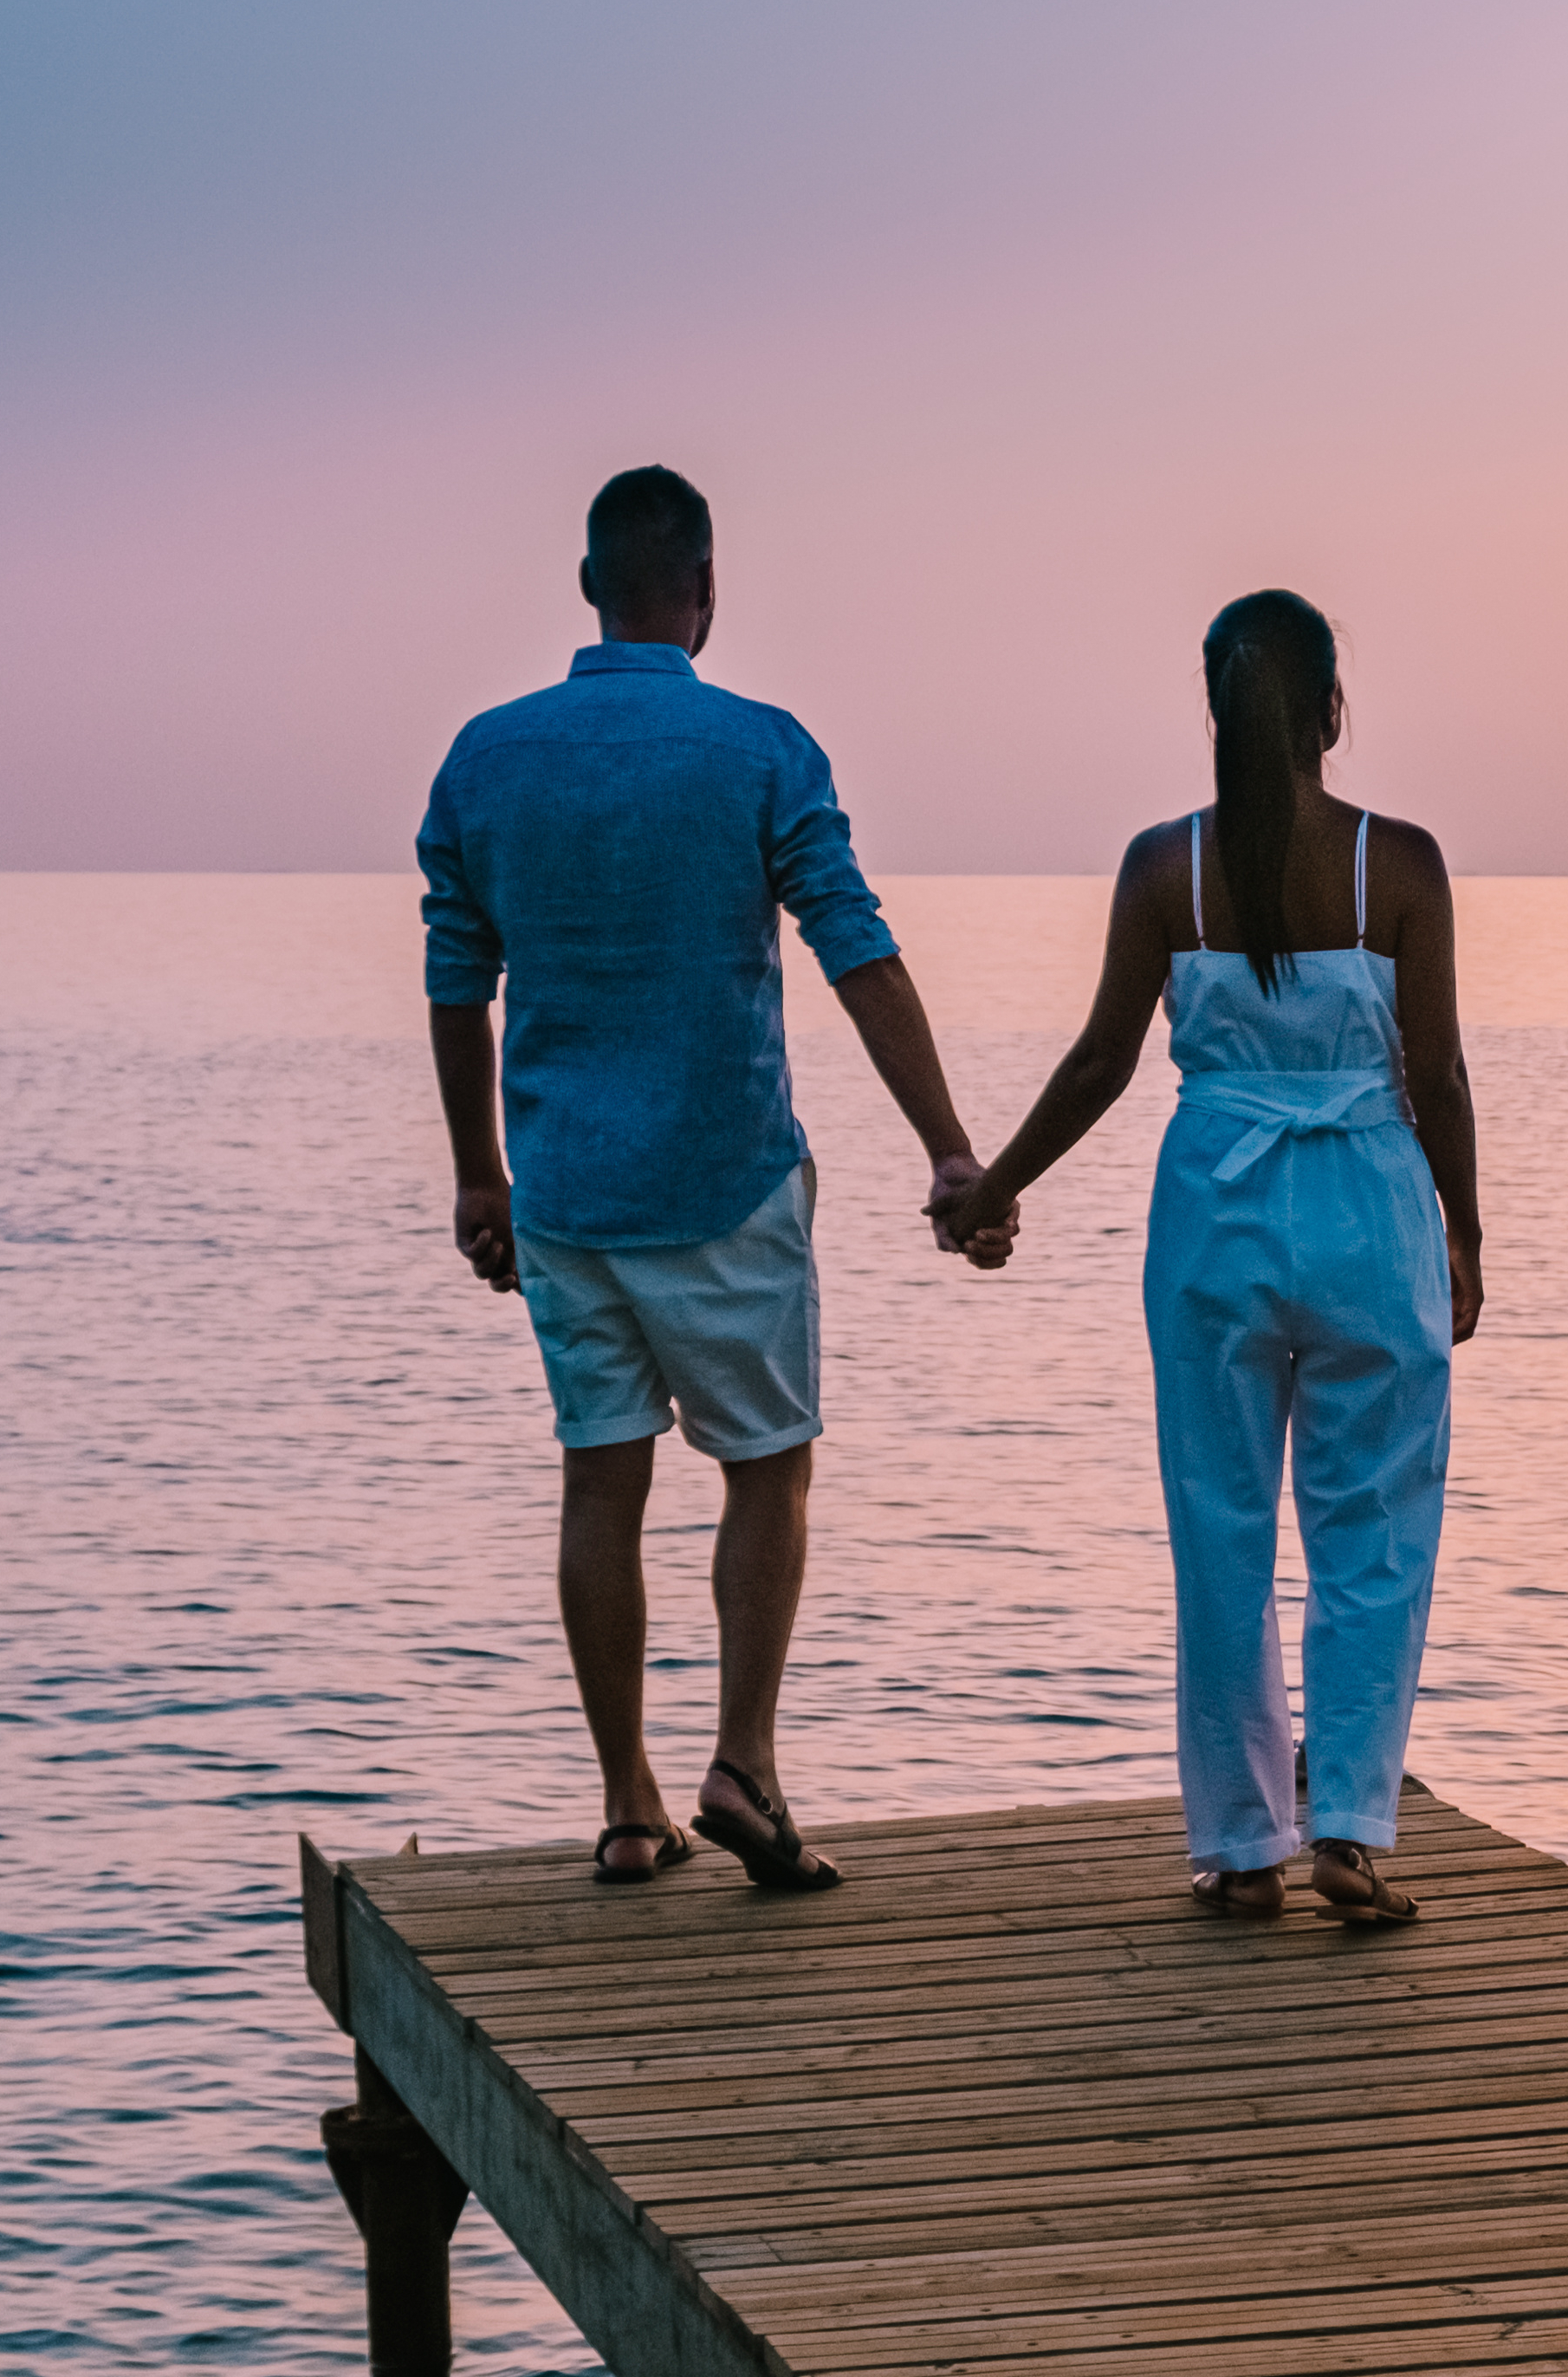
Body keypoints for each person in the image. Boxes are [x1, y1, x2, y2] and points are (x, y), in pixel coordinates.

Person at [419, 464, 1006, 1893]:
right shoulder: (760, 750)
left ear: (585, 589)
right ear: (704, 588)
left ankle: (627, 1805)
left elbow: (456, 981)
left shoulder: (486, 758)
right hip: (726, 1181)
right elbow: (851, 945)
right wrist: (947, 1145)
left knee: (598, 1488)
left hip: (562, 1190)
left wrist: (478, 1178)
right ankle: (742, 1762)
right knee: (766, 1469)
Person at [945, 589, 1481, 1922]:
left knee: (1222, 1532)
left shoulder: (1160, 867)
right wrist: (1464, 1232)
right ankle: (1351, 1829)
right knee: (1374, 1529)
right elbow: (1443, 1075)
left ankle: (1242, 1845)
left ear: (1212, 711)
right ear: (1332, 711)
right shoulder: (1396, 863)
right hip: (1369, 1205)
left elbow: (1098, 1064)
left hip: (1215, 1219)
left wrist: (994, 1188)